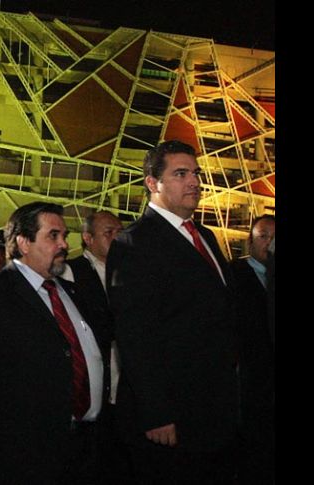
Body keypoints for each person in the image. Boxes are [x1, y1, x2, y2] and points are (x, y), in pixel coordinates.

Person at [0, 202, 111, 484]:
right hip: (23, 448)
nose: (63, 244)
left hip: (84, 445)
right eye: (53, 235)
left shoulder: (72, 292)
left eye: (64, 235)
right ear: (23, 242)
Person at [106, 140, 238, 484]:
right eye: (180, 174)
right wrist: (157, 412)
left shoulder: (205, 236)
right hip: (170, 421)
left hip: (213, 412)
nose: (194, 181)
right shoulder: (134, 242)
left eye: (195, 173)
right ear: (153, 183)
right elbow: (135, 335)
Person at [67, 210, 134, 485]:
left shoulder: (132, 273)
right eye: (109, 233)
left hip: (127, 387)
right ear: (87, 238)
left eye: (120, 232)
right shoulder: (72, 272)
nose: (117, 238)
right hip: (91, 387)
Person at [229, 215, 275, 484]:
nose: (269, 243)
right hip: (251, 381)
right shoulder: (235, 274)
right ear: (249, 242)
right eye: (263, 236)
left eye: (273, 237)